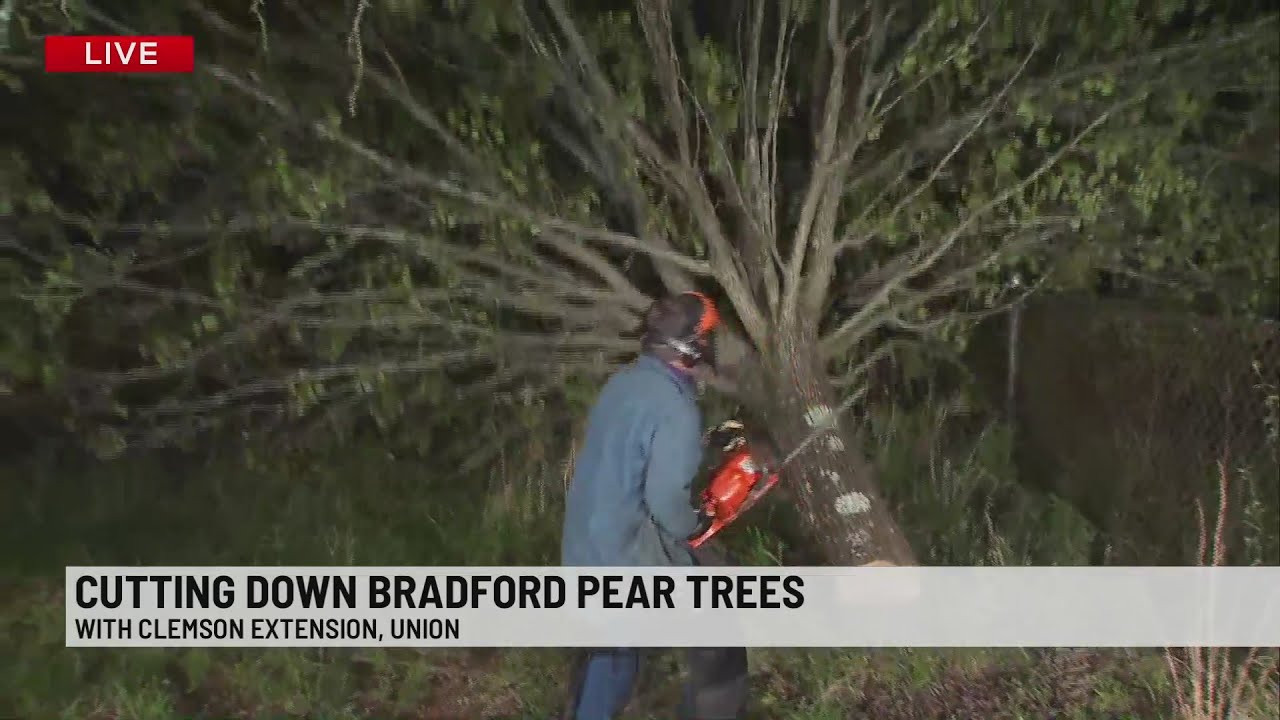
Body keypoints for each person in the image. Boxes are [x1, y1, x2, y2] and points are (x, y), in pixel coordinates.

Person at [561, 291, 749, 720]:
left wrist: (703, 444)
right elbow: (666, 504)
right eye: (707, 336)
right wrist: (696, 523)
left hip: (585, 545)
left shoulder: (624, 382)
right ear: (692, 346)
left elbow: (631, 450)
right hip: (623, 555)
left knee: (613, 651)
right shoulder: (676, 409)